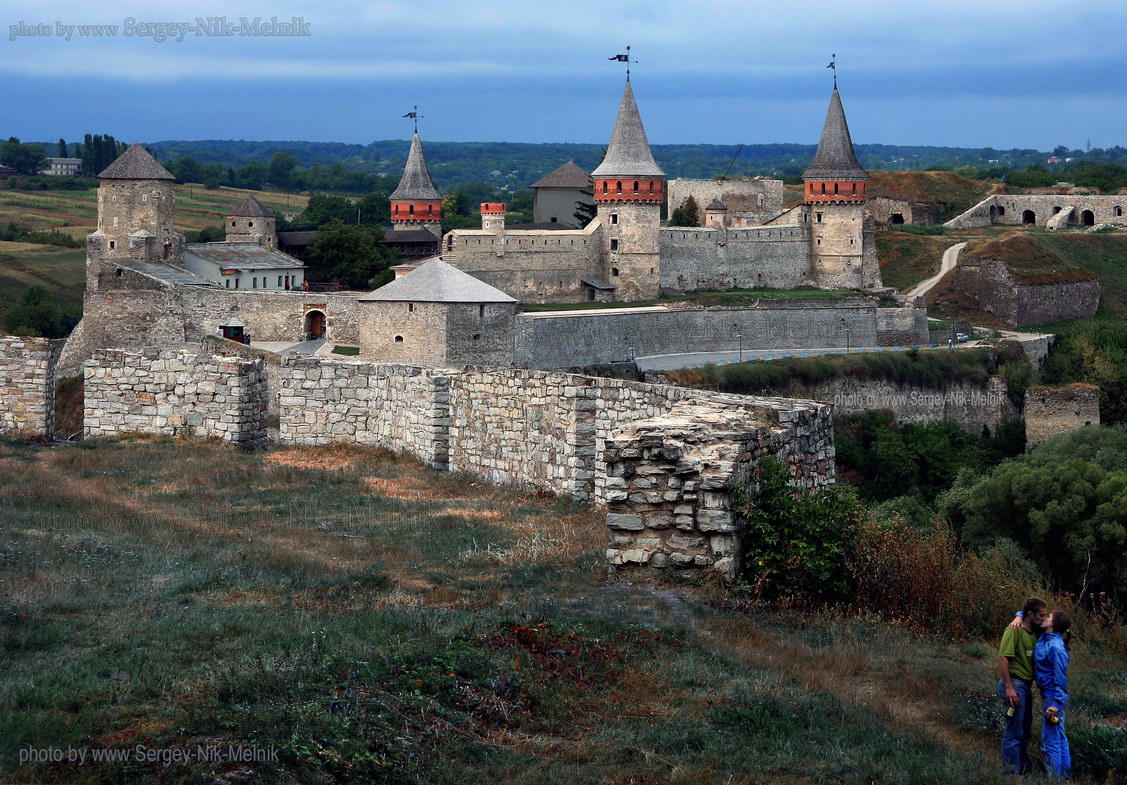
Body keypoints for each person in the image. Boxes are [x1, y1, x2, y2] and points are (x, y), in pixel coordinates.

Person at [998, 597, 1049, 775]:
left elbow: (1062, 625)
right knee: (1014, 732)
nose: (1044, 618)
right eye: (1041, 615)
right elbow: (1003, 658)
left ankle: (1024, 769)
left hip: (1026, 686)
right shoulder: (1014, 630)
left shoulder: (1035, 631)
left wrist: (1019, 615)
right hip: (1015, 684)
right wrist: (1009, 687)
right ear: (1030, 614)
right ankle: (1011, 774)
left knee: (1025, 730)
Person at [1036, 611, 1072, 781]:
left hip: (1052, 698)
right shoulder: (1045, 637)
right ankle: (1064, 777)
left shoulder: (1056, 647)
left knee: (1050, 742)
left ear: (1054, 624)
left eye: (1048, 617)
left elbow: (1061, 679)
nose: (1044, 618)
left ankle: (1054, 779)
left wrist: (1056, 704)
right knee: (1059, 736)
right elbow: (1028, 610)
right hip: (1049, 695)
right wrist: (1019, 615)